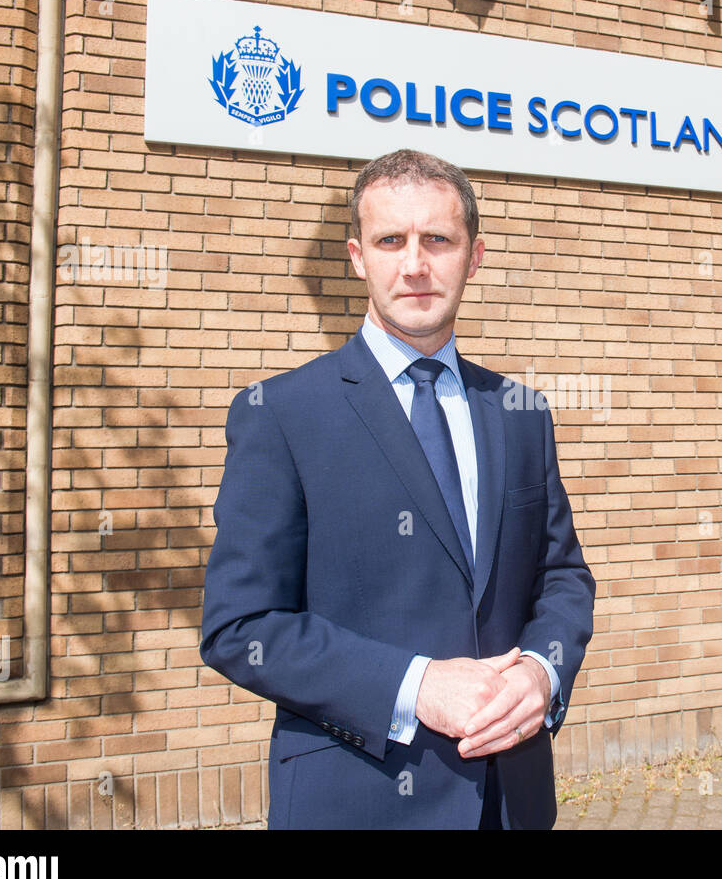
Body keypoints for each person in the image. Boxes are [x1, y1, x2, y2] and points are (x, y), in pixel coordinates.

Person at [200, 149, 596, 829]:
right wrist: (416, 685)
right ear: (358, 256)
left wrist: (540, 671)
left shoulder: (520, 412)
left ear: (472, 257)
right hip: (358, 800)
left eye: (437, 240)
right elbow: (240, 626)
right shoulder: (282, 414)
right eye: (392, 240)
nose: (415, 264)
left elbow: (562, 577)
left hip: (512, 801)